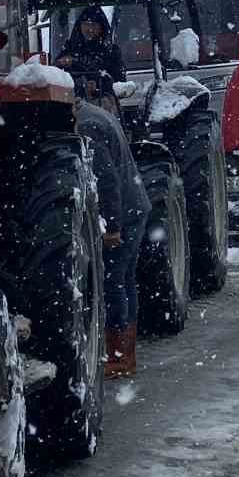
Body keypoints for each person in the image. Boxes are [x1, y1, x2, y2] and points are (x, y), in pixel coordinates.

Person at [74, 71, 147, 377]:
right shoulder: (96, 114)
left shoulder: (87, 125)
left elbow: (106, 179)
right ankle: (125, 355)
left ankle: (117, 356)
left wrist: (113, 226)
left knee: (113, 282)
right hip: (135, 205)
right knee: (125, 281)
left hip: (124, 212)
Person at [56, 7, 127, 84]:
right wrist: (61, 62)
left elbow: (120, 82)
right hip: (70, 94)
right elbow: (54, 72)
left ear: (101, 27)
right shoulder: (70, 47)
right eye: (86, 24)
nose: (90, 29)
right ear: (80, 26)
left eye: (94, 25)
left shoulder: (111, 50)